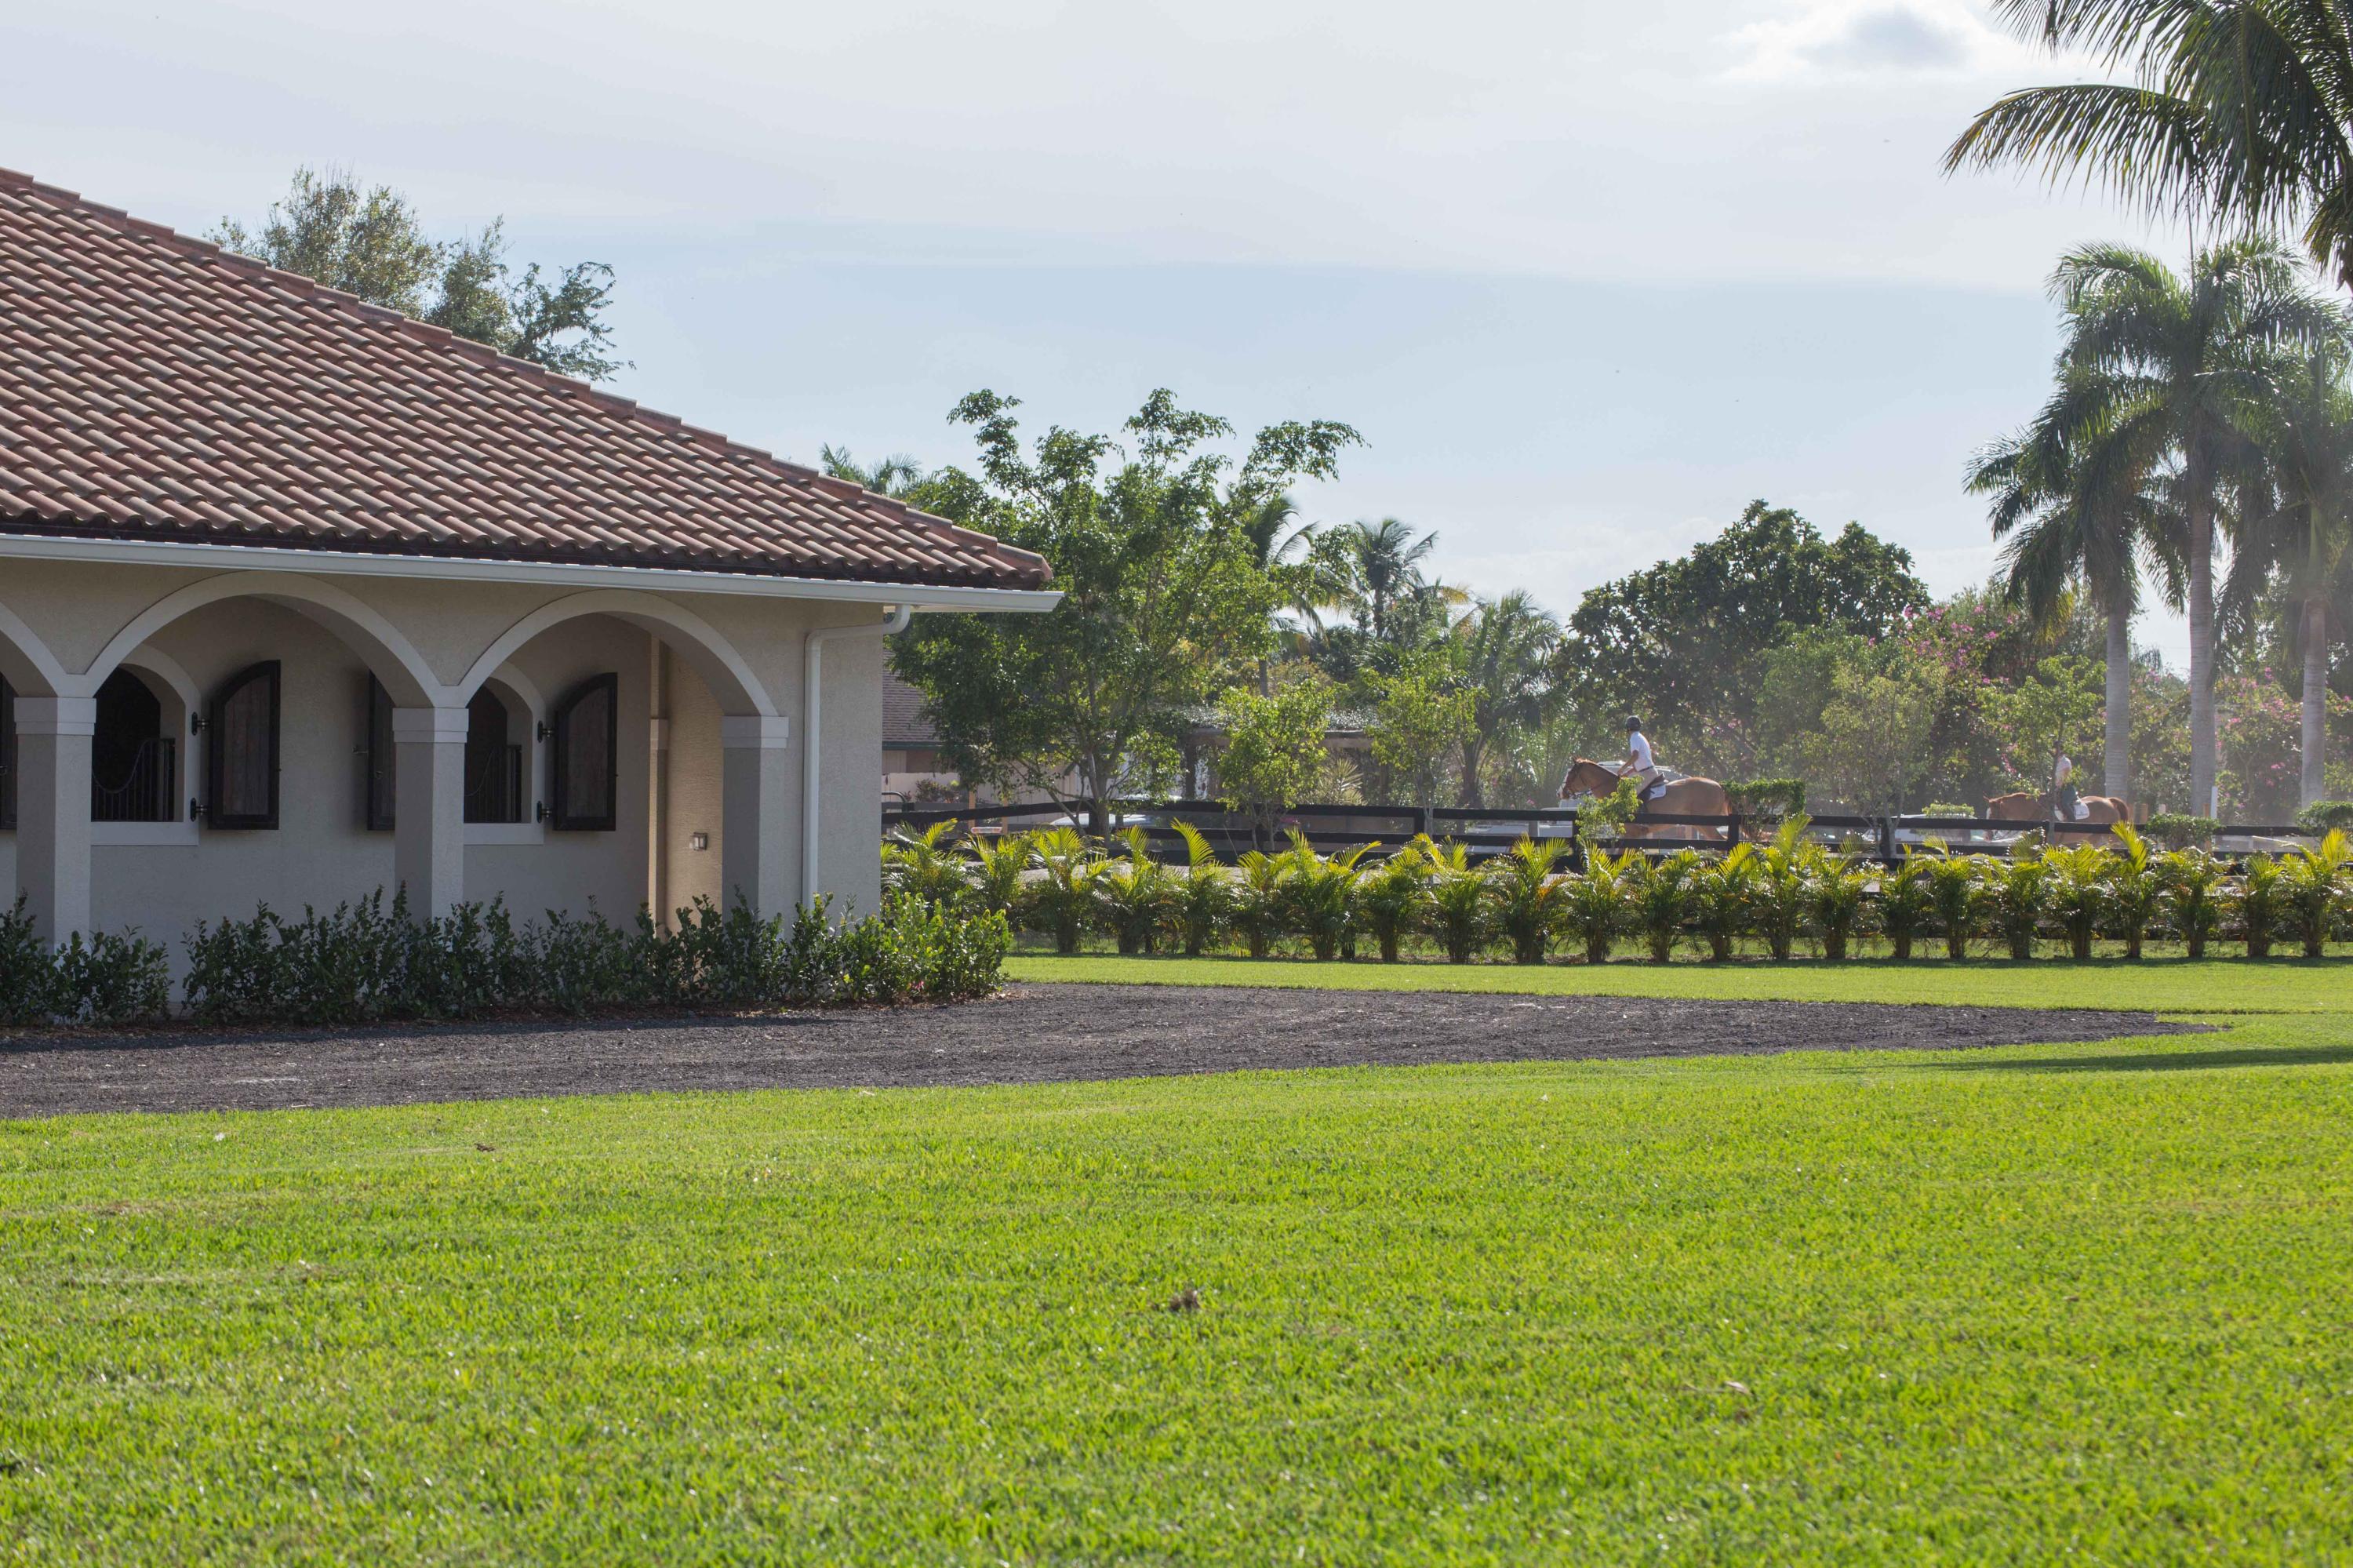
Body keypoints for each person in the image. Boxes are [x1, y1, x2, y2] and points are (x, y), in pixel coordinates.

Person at [1624, 715, 1665, 803]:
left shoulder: (1634, 737)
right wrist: (1627, 773)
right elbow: (1639, 765)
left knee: (1629, 797)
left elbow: (1635, 756)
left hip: (1647, 774)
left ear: (1628, 728)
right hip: (1648, 772)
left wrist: (1622, 769)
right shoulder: (1641, 737)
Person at [2050, 742, 2080, 821]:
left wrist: (2059, 785)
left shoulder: (2066, 762)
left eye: (2056, 749)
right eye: (2054, 749)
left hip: (2068, 789)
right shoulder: (2056, 763)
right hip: (2057, 788)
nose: (2054, 751)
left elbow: (2066, 777)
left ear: (2061, 750)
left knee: (2064, 803)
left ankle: (2073, 821)